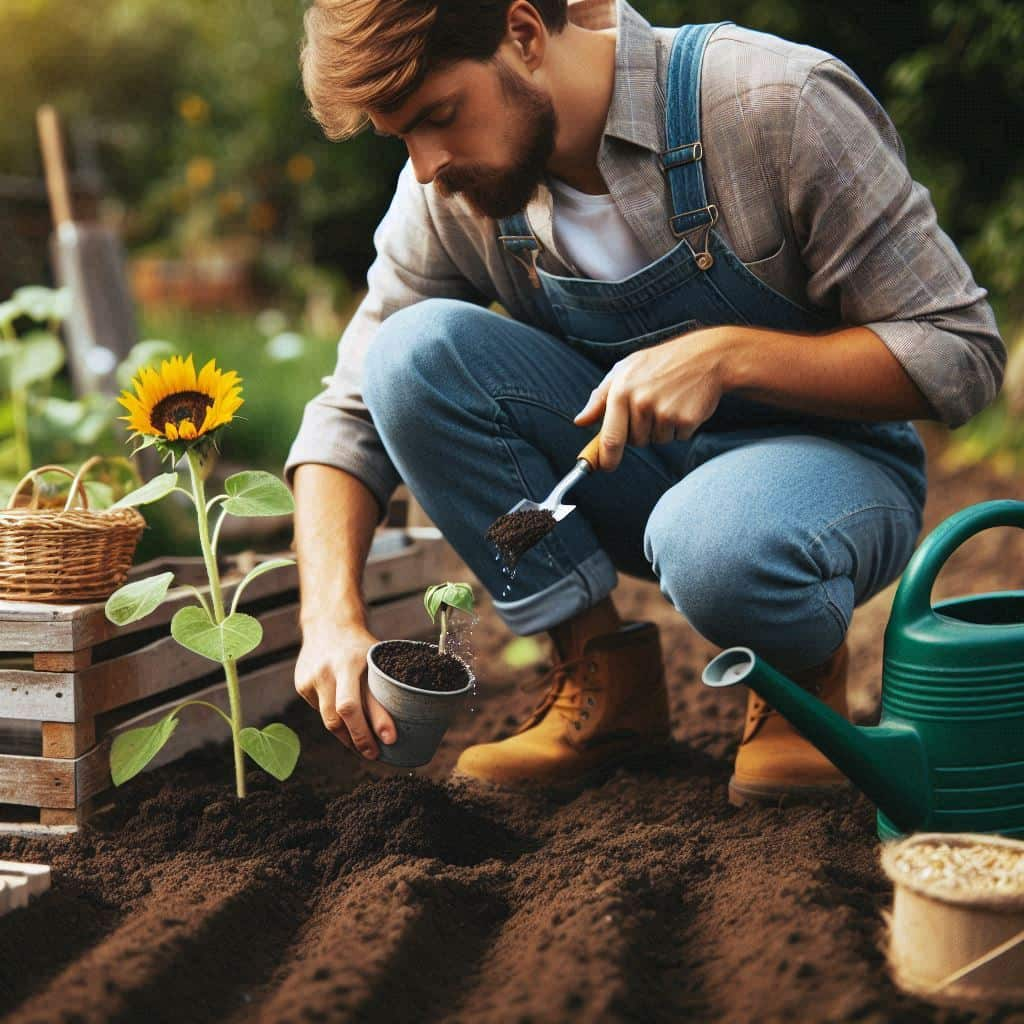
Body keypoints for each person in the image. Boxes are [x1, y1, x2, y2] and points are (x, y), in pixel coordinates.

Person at [287, 0, 1005, 804]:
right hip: (635, 474)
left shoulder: (773, 102)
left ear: (523, 36)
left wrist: (729, 357)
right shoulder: (452, 192)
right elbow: (348, 409)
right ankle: (602, 683)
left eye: (441, 116)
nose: (425, 166)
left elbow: (960, 350)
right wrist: (329, 619)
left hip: (835, 475)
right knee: (410, 356)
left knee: (715, 538)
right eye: (404, 139)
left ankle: (801, 683)